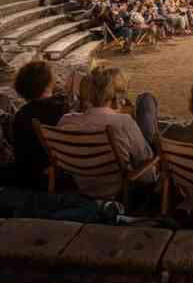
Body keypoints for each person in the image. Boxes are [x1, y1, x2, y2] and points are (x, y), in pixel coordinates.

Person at [56, 66, 158, 200]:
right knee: (146, 100)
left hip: (82, 187)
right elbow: (146, 172)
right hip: (121, 192)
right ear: (112, 94)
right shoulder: (123, 122)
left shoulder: (66, 120)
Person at [11, 60, 73, 187]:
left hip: (31, 174)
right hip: (58, 171)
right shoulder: (61, 107)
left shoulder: (21, 115)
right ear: (47, 84)